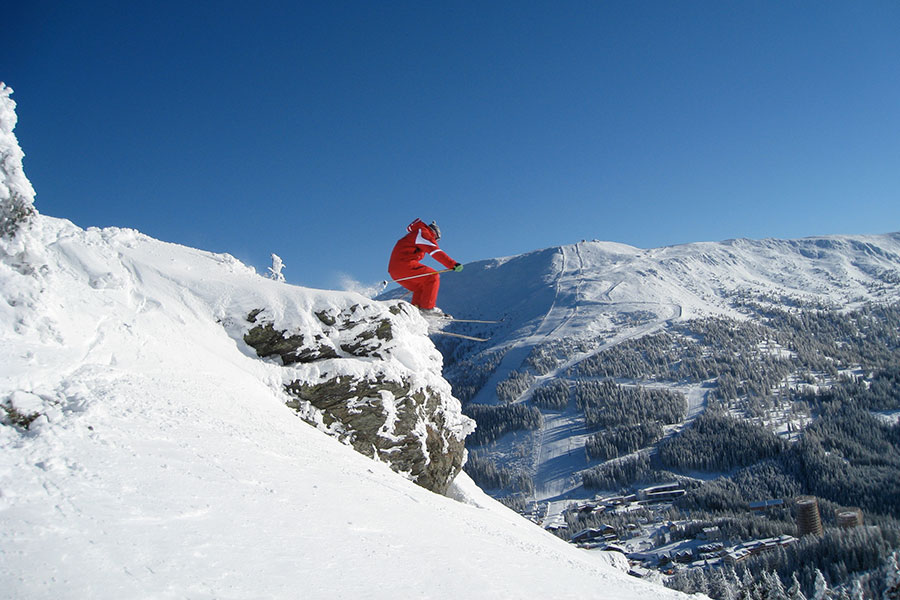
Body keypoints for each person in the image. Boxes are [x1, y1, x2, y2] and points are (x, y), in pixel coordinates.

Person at [388, 218, 463, 314]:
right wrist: (452, 264)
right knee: (432, 276)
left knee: (421, 286)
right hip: (404, 265)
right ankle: (427, 309)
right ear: (435, 234)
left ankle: (416, 311)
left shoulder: (416, 234)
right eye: (436, 239)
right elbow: (435, 251)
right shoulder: (423, 233)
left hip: (395, 271)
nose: (435, 241)